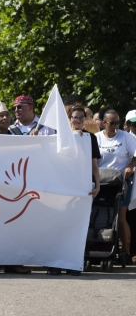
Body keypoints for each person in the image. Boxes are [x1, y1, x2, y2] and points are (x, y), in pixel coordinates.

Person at [48, 105, 101, 276]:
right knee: (59, 225)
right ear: (69, 119)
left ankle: (73, 263)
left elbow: (94, 165)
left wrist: (98, 184)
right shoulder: (59, 137)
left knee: (77, 227)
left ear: (85, 120)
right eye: (74, 117)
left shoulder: (90, 138)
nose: (77, 120)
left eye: (81, 117)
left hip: (82, 189)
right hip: (63, 188)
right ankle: (55, 263)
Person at [96, 109, 136, 263]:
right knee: (100, 214)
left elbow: (135, 155)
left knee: (121, 216)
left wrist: (130, 166)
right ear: (103, 123)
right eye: (112, 123)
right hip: (102, 182)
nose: (116, 126)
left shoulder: (125, 137)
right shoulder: (97, 138)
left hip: (121, 182)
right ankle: (98, 246)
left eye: (118, 122)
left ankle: (125, 251)